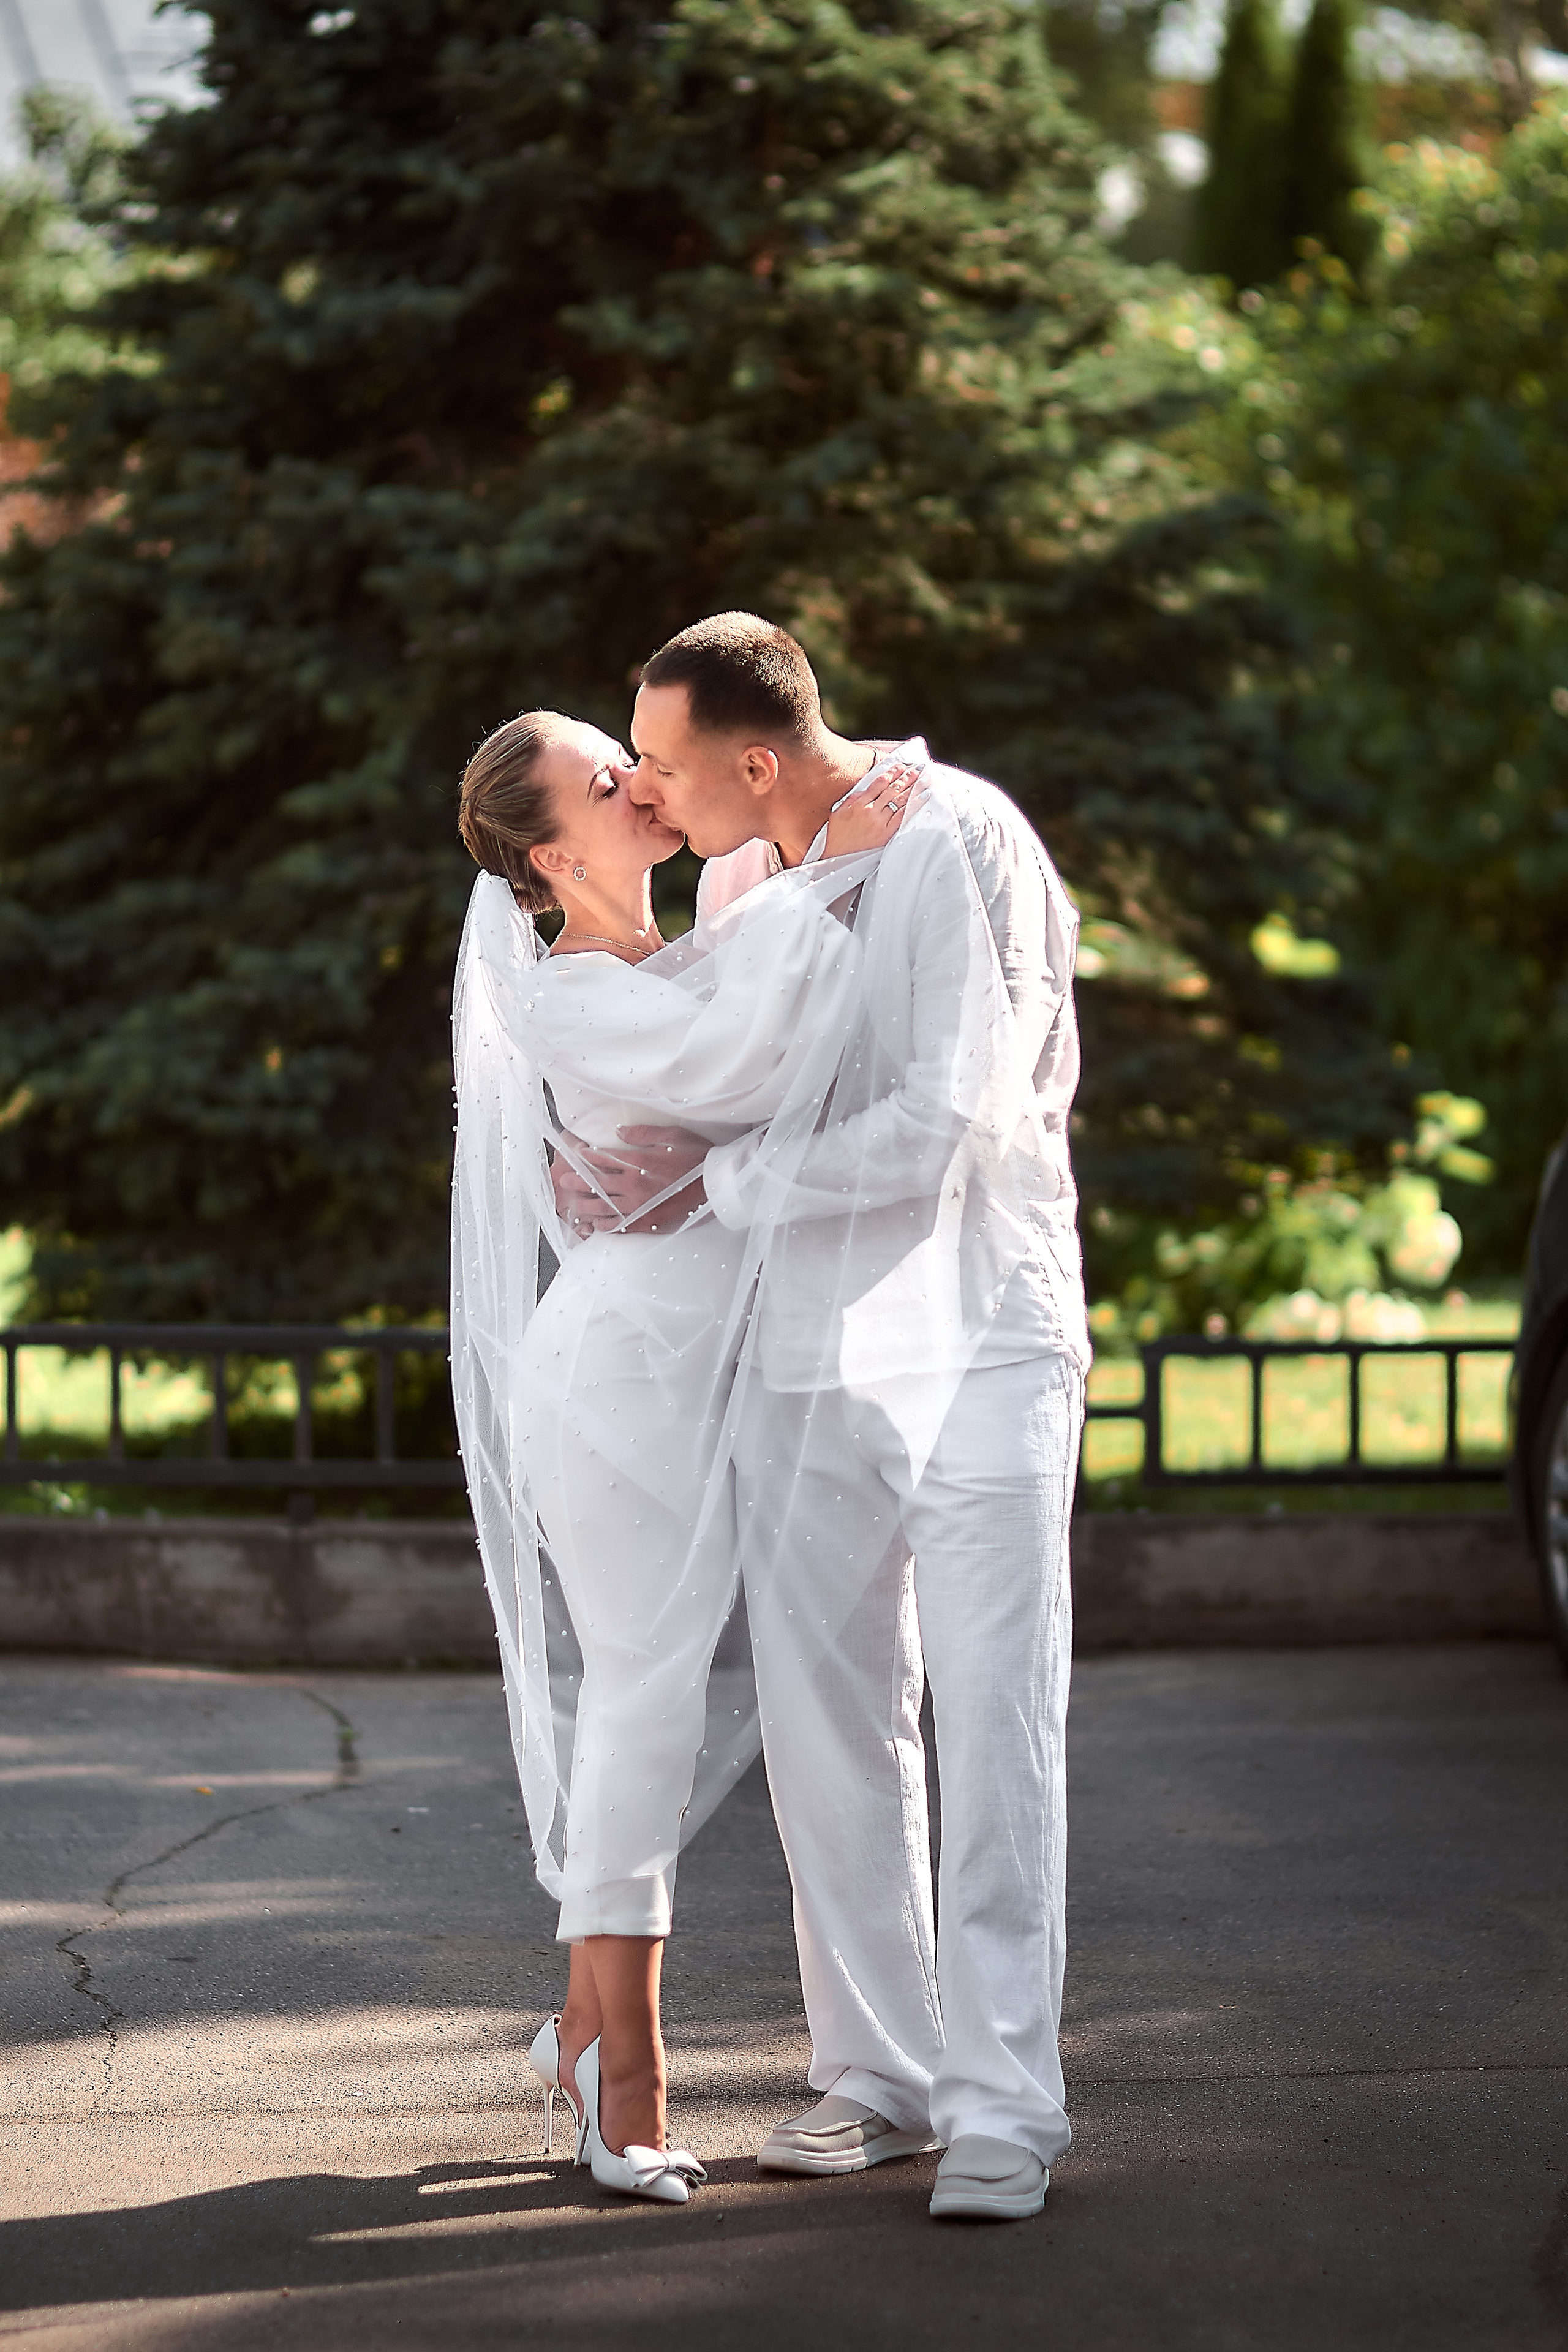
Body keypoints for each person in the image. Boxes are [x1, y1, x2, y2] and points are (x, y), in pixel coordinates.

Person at [557, 614, 1089, 2223]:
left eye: (661, 760)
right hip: (805, 1353)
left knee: (996, 1714)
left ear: (759, 761)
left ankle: (1008, 2104)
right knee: (826, 1719)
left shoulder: (961, 840)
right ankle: (880, 2074)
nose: (648, 788)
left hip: (985, 1336)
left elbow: (956, 1115)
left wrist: (728, 1176)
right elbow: (714, 1084)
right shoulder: (737, 882)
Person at [449, 707, 912, 2205]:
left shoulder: (699, 937)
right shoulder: (563, 1001)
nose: (641, 782)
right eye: (605, 778)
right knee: (643, 1699)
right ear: (547, 851)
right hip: (614, 1389)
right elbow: (735, 1059)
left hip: (702, 1382)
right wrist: (836, 869)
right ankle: (626, 2088)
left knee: (658, 1691)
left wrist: (801, 872)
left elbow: (766, 1056)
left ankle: (577, 2034)